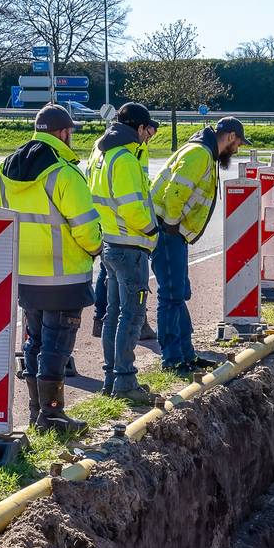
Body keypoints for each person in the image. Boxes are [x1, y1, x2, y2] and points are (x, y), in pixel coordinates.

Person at [0, 103, 102, 433]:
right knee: (57, 347)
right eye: (70, 132)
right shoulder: (65, 173)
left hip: (26, 277)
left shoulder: (5, 169)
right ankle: (53, 415)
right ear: (63, 133)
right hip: (64, 278)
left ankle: (36, 413)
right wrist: (97, 247)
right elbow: (85, 228)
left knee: (34, 343)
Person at [150, 116, 250, 372]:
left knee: (179, 293)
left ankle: (187, 354)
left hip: (173, 232)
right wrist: (172, 225)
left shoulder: (202, 152)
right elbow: (175, 192)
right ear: (229, 136)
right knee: (171, 295)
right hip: (168, 231)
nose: (237, 149)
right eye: (237, 143)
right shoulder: (200, 155)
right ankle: (172, 360)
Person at [86, 103, 159, 404]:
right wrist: (151, 229)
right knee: (131, 315)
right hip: (132, 245)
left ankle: (110, 378)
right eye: (146, 131)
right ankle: (126, 382)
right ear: (139, 129)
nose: (147, 137)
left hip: (110, 244)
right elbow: (131, 206)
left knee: (113, 314)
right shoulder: (125, 159)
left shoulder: (100, 152)